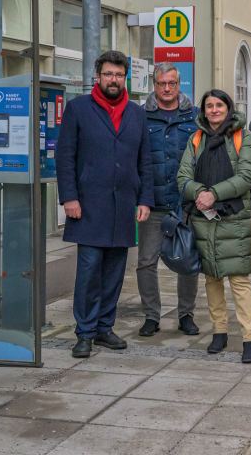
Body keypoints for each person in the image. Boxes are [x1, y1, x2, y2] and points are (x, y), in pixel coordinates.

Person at [56, 50, 153, 358]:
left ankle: (104, 328)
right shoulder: (78, 109)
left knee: (114, 272)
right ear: (97, 76)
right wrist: (69, 197)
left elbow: (145, 161)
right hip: (88, 205)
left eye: (119, 75)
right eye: (109, 74)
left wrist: (145, 199)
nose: (114, 80)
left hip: (123, 205)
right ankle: (84, 332)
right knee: (89, 271)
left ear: (125, 78)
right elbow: (65, 156)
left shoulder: (136, 113)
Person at [177, 89, 251, 364]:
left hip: (234, 218)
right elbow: (182, 176)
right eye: (209, 106)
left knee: (239, 280)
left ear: (228, 108)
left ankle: (249, 338)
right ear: (204, 110)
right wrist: (200, 193)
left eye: (219, 105)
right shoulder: (196, 139)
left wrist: (213, 193)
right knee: (212, 278)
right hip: (203, 217)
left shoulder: (243, 137)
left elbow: (247, 176)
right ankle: (219, 332)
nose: (214, 110)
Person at [136, 63, 200, 338]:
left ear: (178, 83)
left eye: (171, 83)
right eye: (161, 83)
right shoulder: (141, 116)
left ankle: (186, 315)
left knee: (187, 261)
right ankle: (151, 316)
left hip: (185, 204)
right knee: (146, 262)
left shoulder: (194, 116)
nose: (166, 88)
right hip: (153, 203)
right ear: (154, 84)